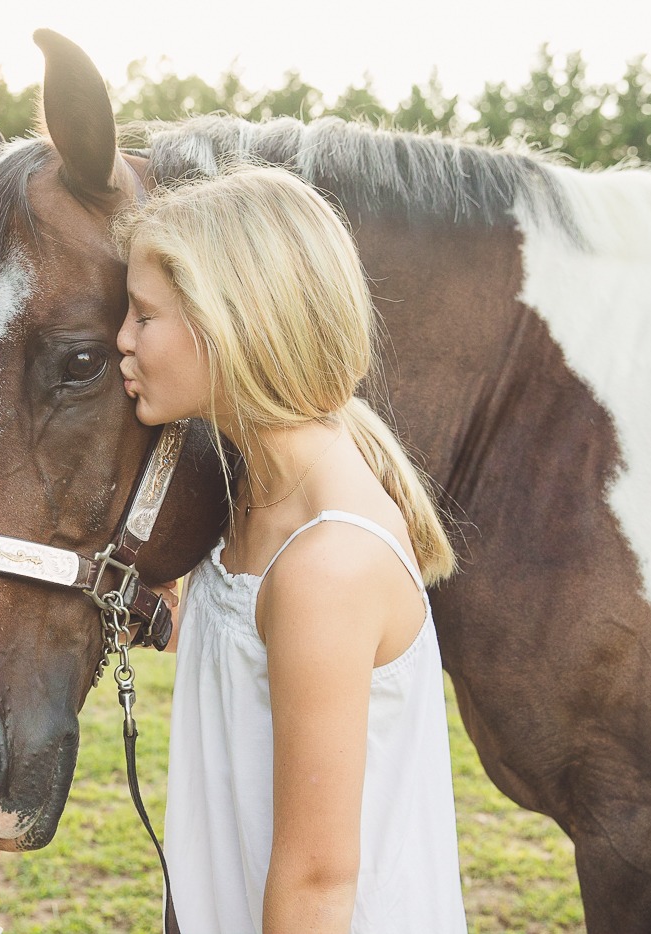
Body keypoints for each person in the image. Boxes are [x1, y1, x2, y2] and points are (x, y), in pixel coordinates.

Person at [115, 165, 467, 933]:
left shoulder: (326, 565)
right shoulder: (251, 497)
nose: (122, 340)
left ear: (228, 322)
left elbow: (316, 881)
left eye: (143, 315)